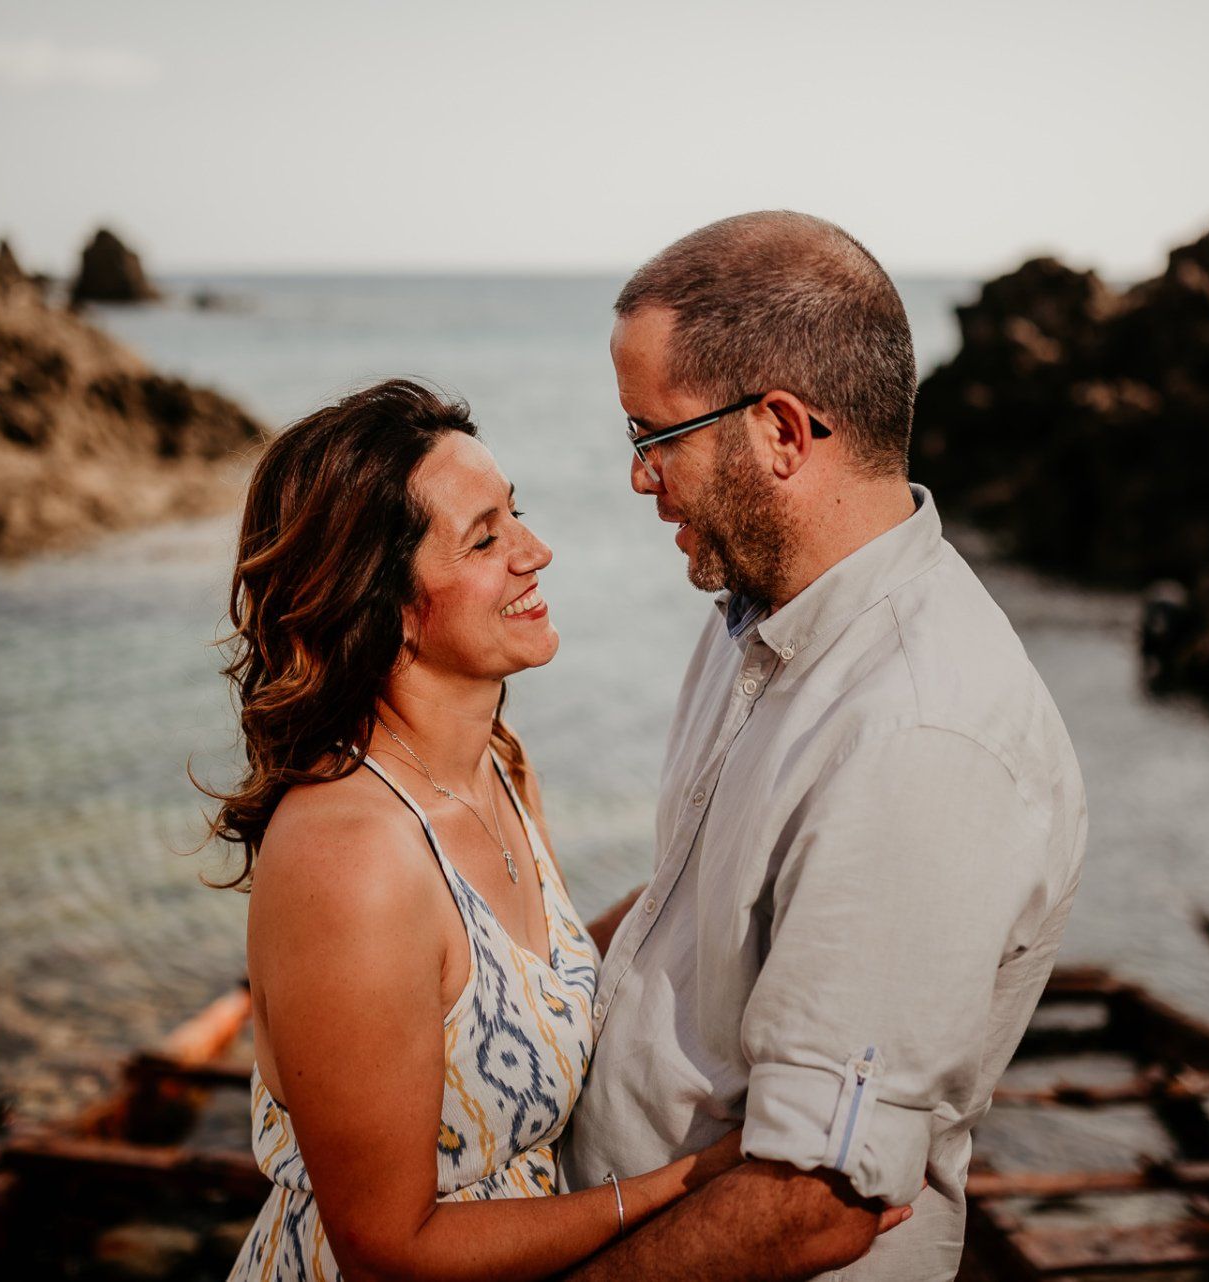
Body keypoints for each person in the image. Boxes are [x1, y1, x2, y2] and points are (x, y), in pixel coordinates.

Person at [200, 380, 905, 1282]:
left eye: (516, 514)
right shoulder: (352, 858)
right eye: (484, 540)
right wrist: (680, 1186)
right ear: (384, 604)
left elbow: (536, 980)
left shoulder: (499, 763)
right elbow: (385, 1250)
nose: (535, 552)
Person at [559, 212, 1089, 1282]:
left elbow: (816, 1202)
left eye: (653, 437)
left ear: (782, 432)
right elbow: (693, 901)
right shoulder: (761, 619)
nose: (640, 478)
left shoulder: (921, 736)